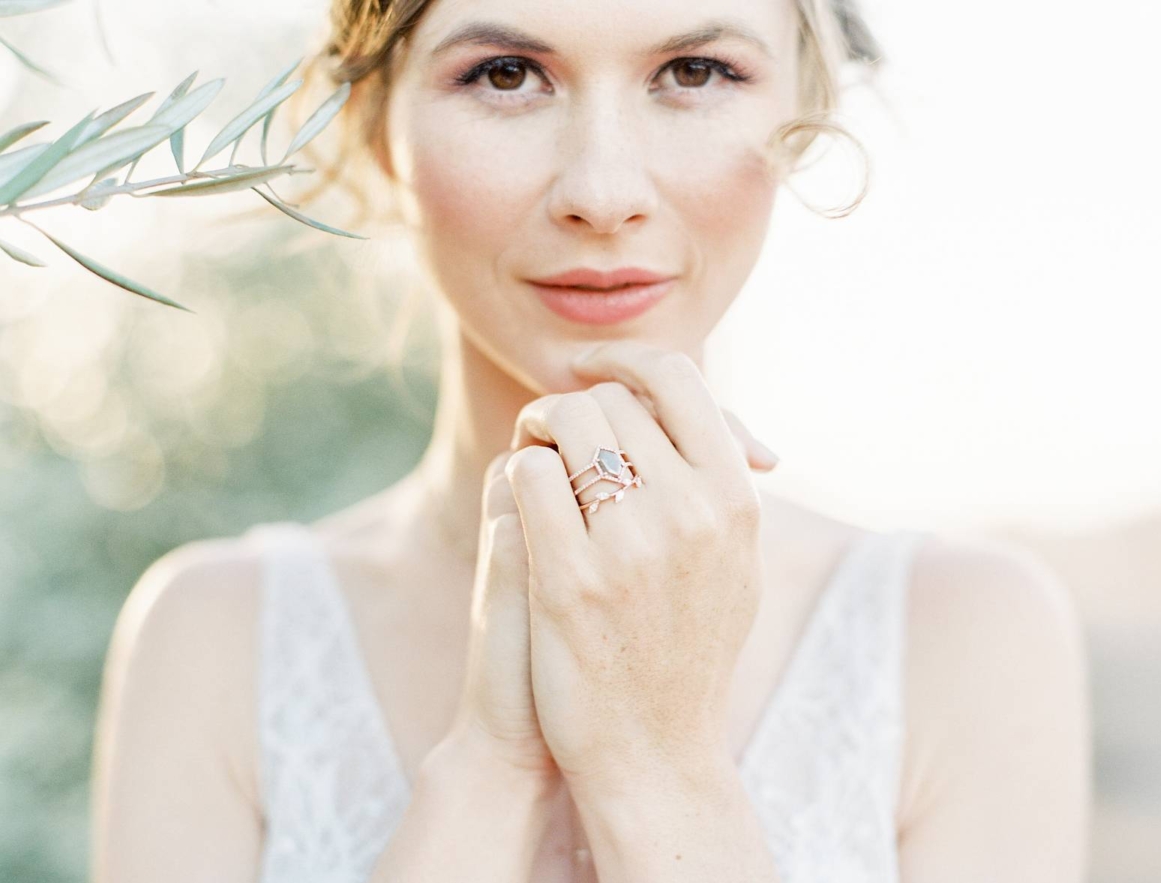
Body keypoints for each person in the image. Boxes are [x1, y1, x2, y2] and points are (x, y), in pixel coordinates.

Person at [89, 0, 1093, 881]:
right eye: (505, 74)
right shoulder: (216, 637)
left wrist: (658, 766)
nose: (603, 192)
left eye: (694, 72)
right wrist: (492, 762)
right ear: (373, 126)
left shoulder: (968, 639)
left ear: (802, 117)